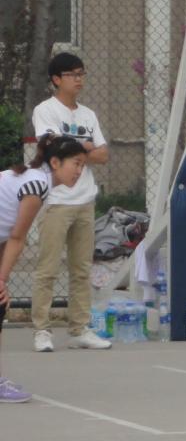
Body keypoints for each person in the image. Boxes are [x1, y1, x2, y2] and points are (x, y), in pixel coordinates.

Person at [31, 52, 111, 352]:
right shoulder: (45, 110)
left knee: (81, 270)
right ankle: (42, 330)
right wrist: (86, 147)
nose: (79, 79)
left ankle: (79, 329)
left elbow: (103, 155)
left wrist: (78, 148)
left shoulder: (88, 115)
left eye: (81, 73)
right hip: (56, 200)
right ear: (56, 79)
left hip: (85, 201)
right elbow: (53, 148)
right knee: (48, 269)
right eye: (72, 74)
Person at [0, 134, 87, 402]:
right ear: (55, 163)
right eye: (76, 163)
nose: (79, 171)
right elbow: (17, 237)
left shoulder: (34, 179)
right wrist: (1, 280)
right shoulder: (36, 185)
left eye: (83, 165)